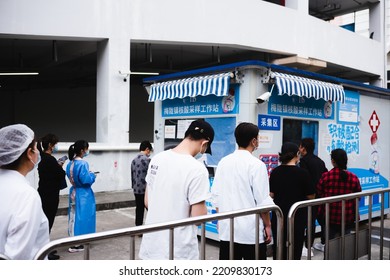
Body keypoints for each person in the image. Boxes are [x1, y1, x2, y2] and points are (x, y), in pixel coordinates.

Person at [139, 119, 214, 260]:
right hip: (178, 250)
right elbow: (198, 218)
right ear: (204, 143)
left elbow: (148, 202)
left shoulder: (157, 159)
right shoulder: (197, 169)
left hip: (151, 246)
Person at [212, 122, 274, 260]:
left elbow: (216, 196)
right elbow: (263, 201)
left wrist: (221, 220)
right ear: (253, 141)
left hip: (227, 229)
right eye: (257, 138)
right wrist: (268, 225)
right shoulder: (257, 165)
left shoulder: (223, 162)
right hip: (250, 232)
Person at [0, 124, 50, 259]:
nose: (38, 152)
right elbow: (18, 257)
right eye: (35, 148)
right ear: (29, 153)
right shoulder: (27, 196)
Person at [269, 142, 315, 260]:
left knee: (279, 246)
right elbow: (311, 196)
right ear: (296, 155)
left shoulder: (275, 172)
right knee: (295, 247)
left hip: (279, 216)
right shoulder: (303, 174)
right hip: (297, 217)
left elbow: (271, 194)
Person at [316, 149, 361, 244]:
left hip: (329, 217)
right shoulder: (353, 177)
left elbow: (319, 193)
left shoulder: (326, 176)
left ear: (333, 161)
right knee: (345, 243)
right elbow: (358, 196)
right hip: (347, 217)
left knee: (330, 245)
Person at [37, 133, 67, 260]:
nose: (56, 146)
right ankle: (45, 251)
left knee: (44, 223)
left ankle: (44, 247)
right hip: (50, 195)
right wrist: (60, 167)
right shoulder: (49, 159)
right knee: (47, 223)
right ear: (50, 145)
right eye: (55, 144)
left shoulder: (42, 158)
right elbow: (60, 174)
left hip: (44, 192)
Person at [298, 138, 328, 255]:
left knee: (309, 222)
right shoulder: (320, 161)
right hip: (320, 196)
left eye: (300, 147)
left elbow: (304, 179)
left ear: (303, 149)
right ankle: (324, 243)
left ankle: (308, 247)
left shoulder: (304, 161)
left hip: (310, 196)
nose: (299, 149)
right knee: (322, 220)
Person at [66, 140, 96, 253]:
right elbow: (86, 180)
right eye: (86, 148)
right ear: (83, 150)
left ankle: (72, 239)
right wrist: (92, 175)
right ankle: (78, 243)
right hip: (83, 194)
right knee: (83, 217)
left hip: (74, 191)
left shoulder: (70, 163)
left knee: (73, 217)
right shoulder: (83, 164)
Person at [131, 140, 153, 226]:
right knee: (150, 208)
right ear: (147, 149)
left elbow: (132, 175)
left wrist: (133, 186)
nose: (149, 153)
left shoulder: (134, 160)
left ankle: (138, 227)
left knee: (139, 209)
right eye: (150, 151)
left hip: (136, 189)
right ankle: (154, 225)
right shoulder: (147, 160)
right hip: (145, 189)